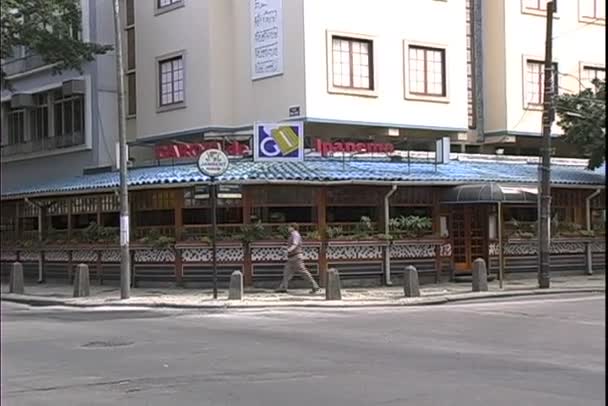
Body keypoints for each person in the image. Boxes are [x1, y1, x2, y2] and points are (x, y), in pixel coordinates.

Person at [275, 223, 320, 294]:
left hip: (296, 257)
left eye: (289, 227)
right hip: (291, 257)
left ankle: (315, 285)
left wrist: (288, 250)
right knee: (286, 272)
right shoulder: (292, 235)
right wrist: (286, 248)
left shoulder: (295, 234)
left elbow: (295, 244)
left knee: (303, 272)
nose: (288, 228)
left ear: (293, 227)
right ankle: (283, 287)